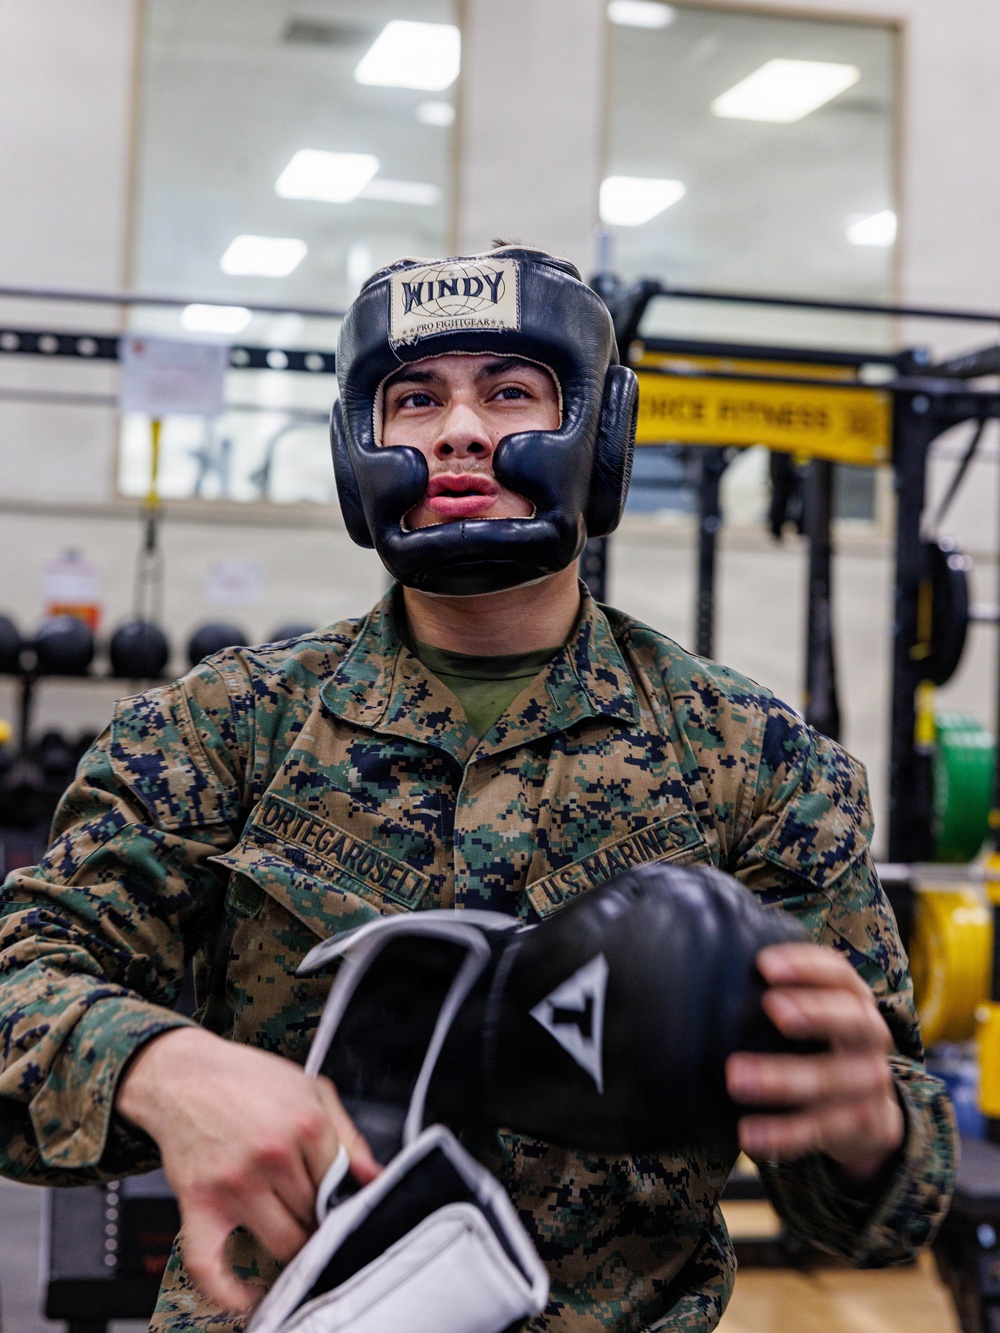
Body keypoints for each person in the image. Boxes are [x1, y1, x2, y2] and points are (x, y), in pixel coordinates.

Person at [0, 245, 956, 1333]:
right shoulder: (219, 729)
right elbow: (19, 983)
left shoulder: (757, 761)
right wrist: (160, 1069)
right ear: (359, 445)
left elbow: (884, 1204)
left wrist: (862, 1117)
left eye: (509, 391)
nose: (458, 430)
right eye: (415, 399)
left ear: (598, 433)